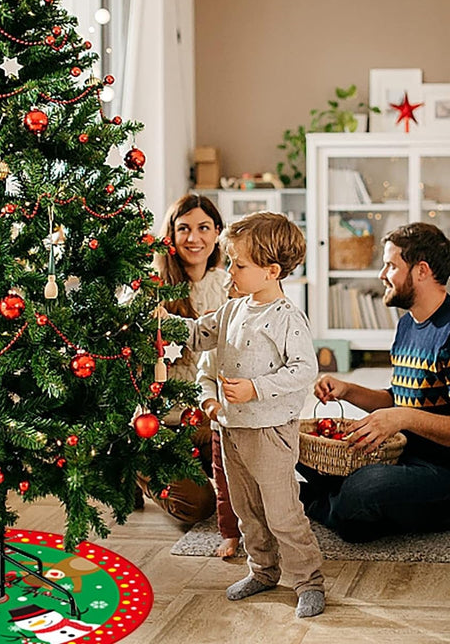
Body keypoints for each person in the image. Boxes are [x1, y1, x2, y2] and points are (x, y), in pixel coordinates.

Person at [166, 211, 325, 618]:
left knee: (282, 512)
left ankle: (308, 581)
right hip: (231, 429)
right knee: (246, 509)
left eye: (238, 264)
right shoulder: (233, 309)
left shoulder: (287, 317)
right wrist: (163, 323)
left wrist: (255, 388)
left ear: (272, 271)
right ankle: (263, 570)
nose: (229, 272)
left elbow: (304, 370)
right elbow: (200, 334)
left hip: (270, 431)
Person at [298, 222, 450, 542]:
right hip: (404, 455)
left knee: (364, 491)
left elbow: (405, 412)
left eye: (391, 265)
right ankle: (339, 501)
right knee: (297, 449)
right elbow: (403, 398)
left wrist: (403, 418)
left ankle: (317, 502)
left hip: (442, 470)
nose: (381, 274)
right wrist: (348, 390)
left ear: (421, 271)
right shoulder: (408, 324)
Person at [135, 193, 240, 557]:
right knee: (196, 506)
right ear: (171, 235)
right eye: (184, 229)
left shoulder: (232, 285)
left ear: (217, 234)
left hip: (211, 409)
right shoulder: (151, 287)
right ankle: (136, 468)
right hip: (162, 416)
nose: (194, 238)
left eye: (203, 228)